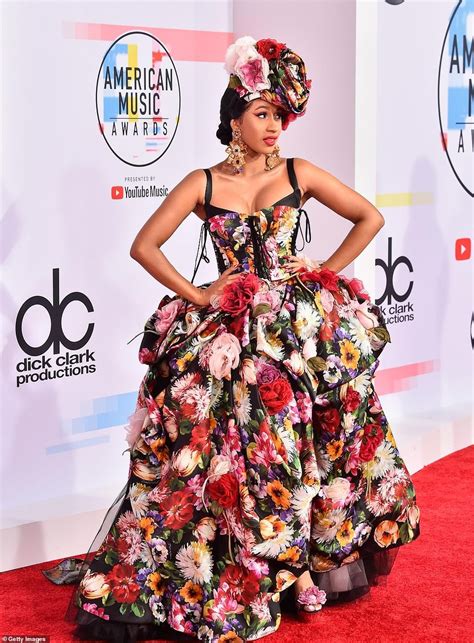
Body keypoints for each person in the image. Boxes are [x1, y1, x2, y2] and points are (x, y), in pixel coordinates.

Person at [43, 35, 421, 642]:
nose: (276, 127)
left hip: (294, 325)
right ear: (234, 118)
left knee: (305, 438)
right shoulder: (203, 182)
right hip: (228, 329)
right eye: (263, 114)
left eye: (281, 115)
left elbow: (370, 217)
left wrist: (321, 266)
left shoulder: (298, 172)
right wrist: (198, 295)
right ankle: (249, 567)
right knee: (223, 451)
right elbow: (144, 246)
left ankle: (299, 565)